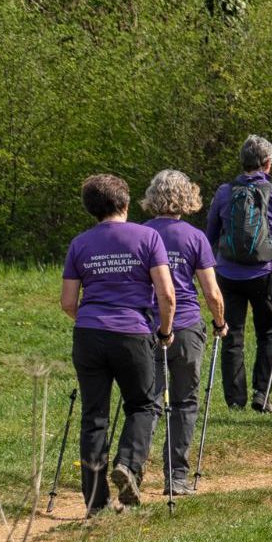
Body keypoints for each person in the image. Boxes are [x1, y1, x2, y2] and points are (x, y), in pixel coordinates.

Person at [60, 174, 177, 514]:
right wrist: (165, 332)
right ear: (125, 204)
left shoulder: (80, 244)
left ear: (92, 210)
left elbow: (68, 302)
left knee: (93, 416)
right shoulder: (148, 237)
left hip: (89, 333)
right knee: (142, 404)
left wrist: (90, 317)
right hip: (133, 331)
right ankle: (128, 464)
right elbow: (166, 294)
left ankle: (96, 503)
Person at [142, 170, 229, 495]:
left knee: (147, 401)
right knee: (184, 402)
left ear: (153, 196)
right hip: (187, 326)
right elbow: (212, 293)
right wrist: (220, 323)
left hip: (147, 325)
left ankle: (133, 470)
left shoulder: (140, 233)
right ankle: (176, 478)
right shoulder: (195, 238)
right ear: (186, 198)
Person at [204, 136, 272, 413]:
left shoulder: (224, 192)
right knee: (268, 333)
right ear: (268, 163)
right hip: (264, 274)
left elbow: (209, 234)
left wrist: (207, 269)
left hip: (227, 274)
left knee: (231, 334)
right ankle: (262, 394)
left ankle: (235, 400)